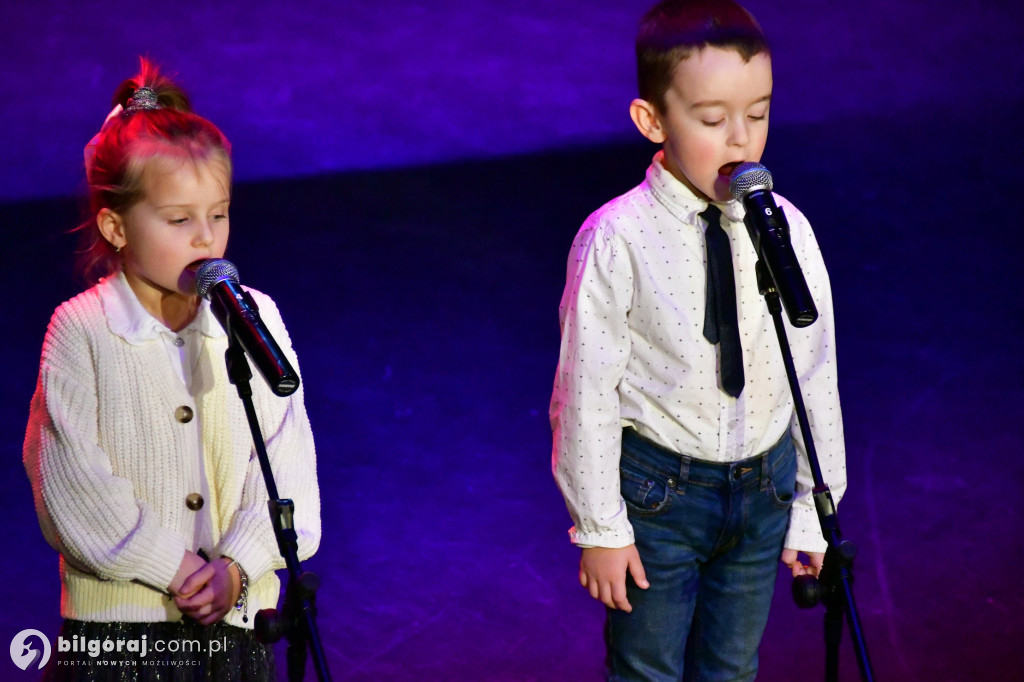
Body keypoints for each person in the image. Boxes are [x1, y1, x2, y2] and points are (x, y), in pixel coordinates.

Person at [549, 1, 847, 679]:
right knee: (647, 667)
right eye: (713, 120)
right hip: (662, 494)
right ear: (653, 120)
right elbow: (586, 394)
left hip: (763, 487)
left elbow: (814, 372)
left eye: (760, 113)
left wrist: (811, 507)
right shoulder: (616, 240)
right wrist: (600, 528)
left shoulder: (788, 230)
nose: (741, 139)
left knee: (732, 668)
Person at [23, 59, 321, 681]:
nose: (207, 239)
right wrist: (180, 570)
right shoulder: (82, 330)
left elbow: (285, 462)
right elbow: (74, 490)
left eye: (219, 214)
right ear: (116, 225)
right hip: (121, 640)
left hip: (238, 626)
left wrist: (236, 564)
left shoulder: (253, 315)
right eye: (180, 221)